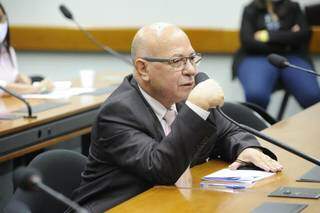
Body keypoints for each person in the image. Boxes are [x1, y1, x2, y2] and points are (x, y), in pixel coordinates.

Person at [70, 23, 282, 213]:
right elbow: (161, 168)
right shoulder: (117, 113)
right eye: (177, 61)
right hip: (118, 206)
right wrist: (197, 108)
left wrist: (245, 149)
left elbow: (228, 131)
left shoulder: (181, 94)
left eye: (192, 58)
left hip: (166, 203)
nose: (191, 70)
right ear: (143, 69)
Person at [232, 0, 320, 110]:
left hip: (292, 56)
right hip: (257, 56)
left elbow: (303, 35)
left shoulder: (293, 7)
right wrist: (288, 38)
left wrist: (267, 36)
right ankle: (259, 126)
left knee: (312, 96)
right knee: (256, 95)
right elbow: (248, 41)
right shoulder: (251, 9)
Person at [0, 3, 53, 96]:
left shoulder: (8, 51)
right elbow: (3, 88)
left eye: (1, 19)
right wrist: (38, 88)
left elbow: (12, 78)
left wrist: (20, 78)